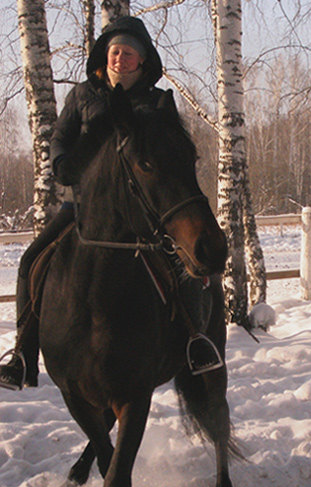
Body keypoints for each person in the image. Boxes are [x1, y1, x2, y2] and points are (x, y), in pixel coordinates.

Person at [0, 16, 222, 391]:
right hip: (83, 205)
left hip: (141, 211)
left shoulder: (156, 101)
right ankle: (23, 352)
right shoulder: (83, 96)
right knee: (31, 260)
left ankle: (194, 340)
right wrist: (61, 165)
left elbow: (169, 152)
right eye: (115, 51)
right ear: (106, 56)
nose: (120, 58)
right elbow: (59, 138)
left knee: (183, 268)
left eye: (129, 53)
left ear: (142, 60)